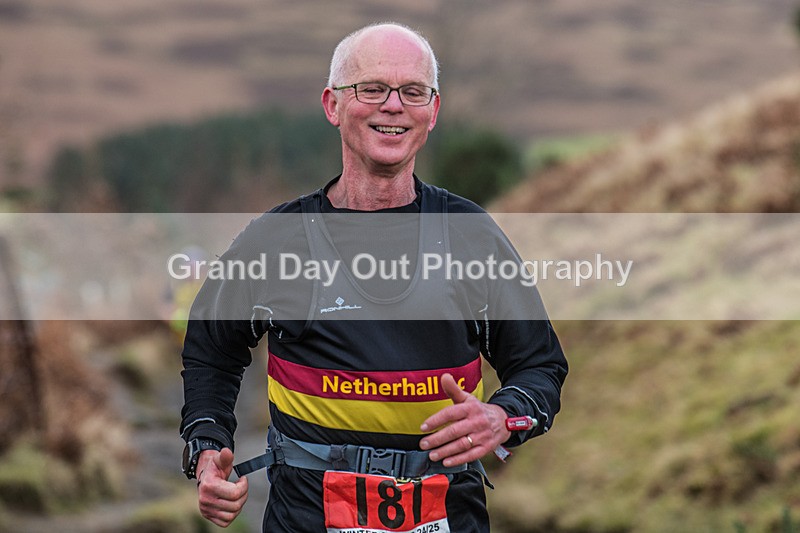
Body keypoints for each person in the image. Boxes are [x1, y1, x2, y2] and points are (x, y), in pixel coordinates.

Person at [180, 22, 568, 532]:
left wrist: (502, 418)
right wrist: (209, 449)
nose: (393, 105)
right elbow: (212, 346)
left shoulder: (470, 235)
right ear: (332, 105)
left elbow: (540, 367)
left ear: (433, 111)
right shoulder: (277, 240)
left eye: (412, 91)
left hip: (450, 515)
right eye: (372, 88)